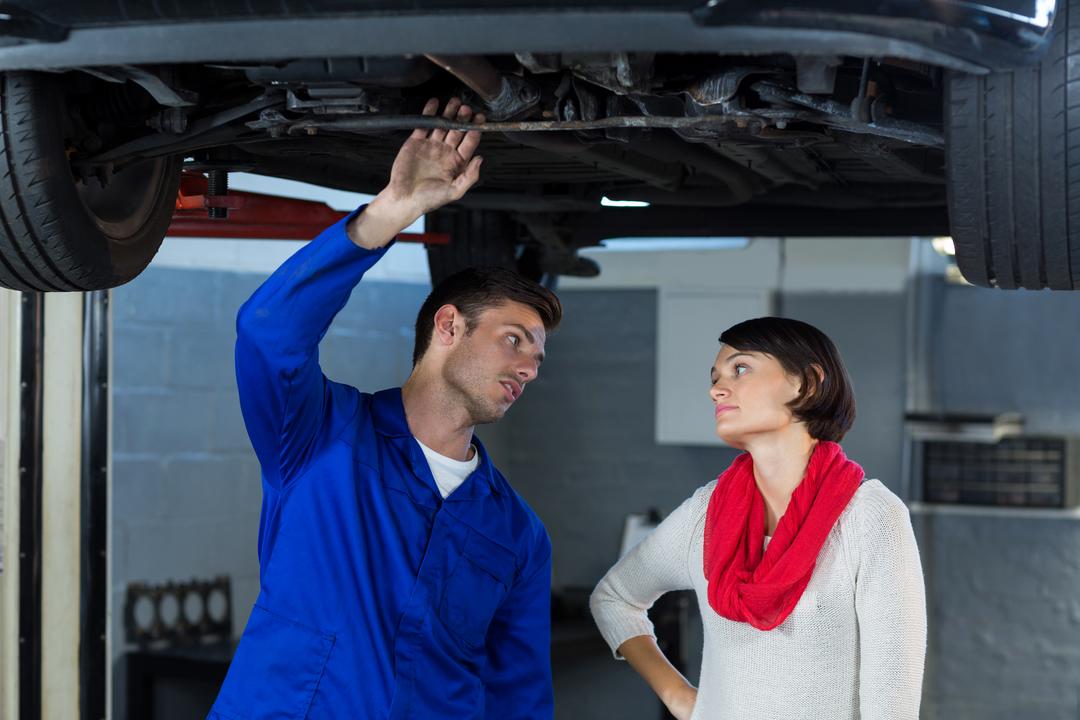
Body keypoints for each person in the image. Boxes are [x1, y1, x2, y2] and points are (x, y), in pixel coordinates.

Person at [208, 97, 561, 719]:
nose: (530, 368)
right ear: (448, 325)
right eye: (515, 340)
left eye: (538, 356)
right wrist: (390, 214)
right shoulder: (320, 437)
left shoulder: (518, 535)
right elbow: (269, 331)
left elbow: (518, 694)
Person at [589, 317, 926, 720]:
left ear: (807, 382)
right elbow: (614, 598)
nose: (716, 389)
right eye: (714, 377)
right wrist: (679, 696)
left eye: (740, 368)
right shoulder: (706, 512)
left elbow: (892, 702)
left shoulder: (869, 516)